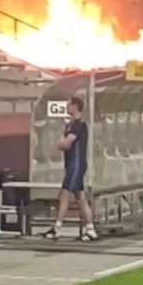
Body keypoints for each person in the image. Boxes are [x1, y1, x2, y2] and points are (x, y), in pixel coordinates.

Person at [42, 97, 98, 242]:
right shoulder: (71, 125)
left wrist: (58, 144)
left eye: (68, 105)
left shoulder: (79, 126)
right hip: (72, 165)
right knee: (80, 198)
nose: (66, 108)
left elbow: (67, 144)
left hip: (76, 165)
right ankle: (91, 229)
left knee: (64, 194)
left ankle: (57, 227)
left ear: (75, 107)